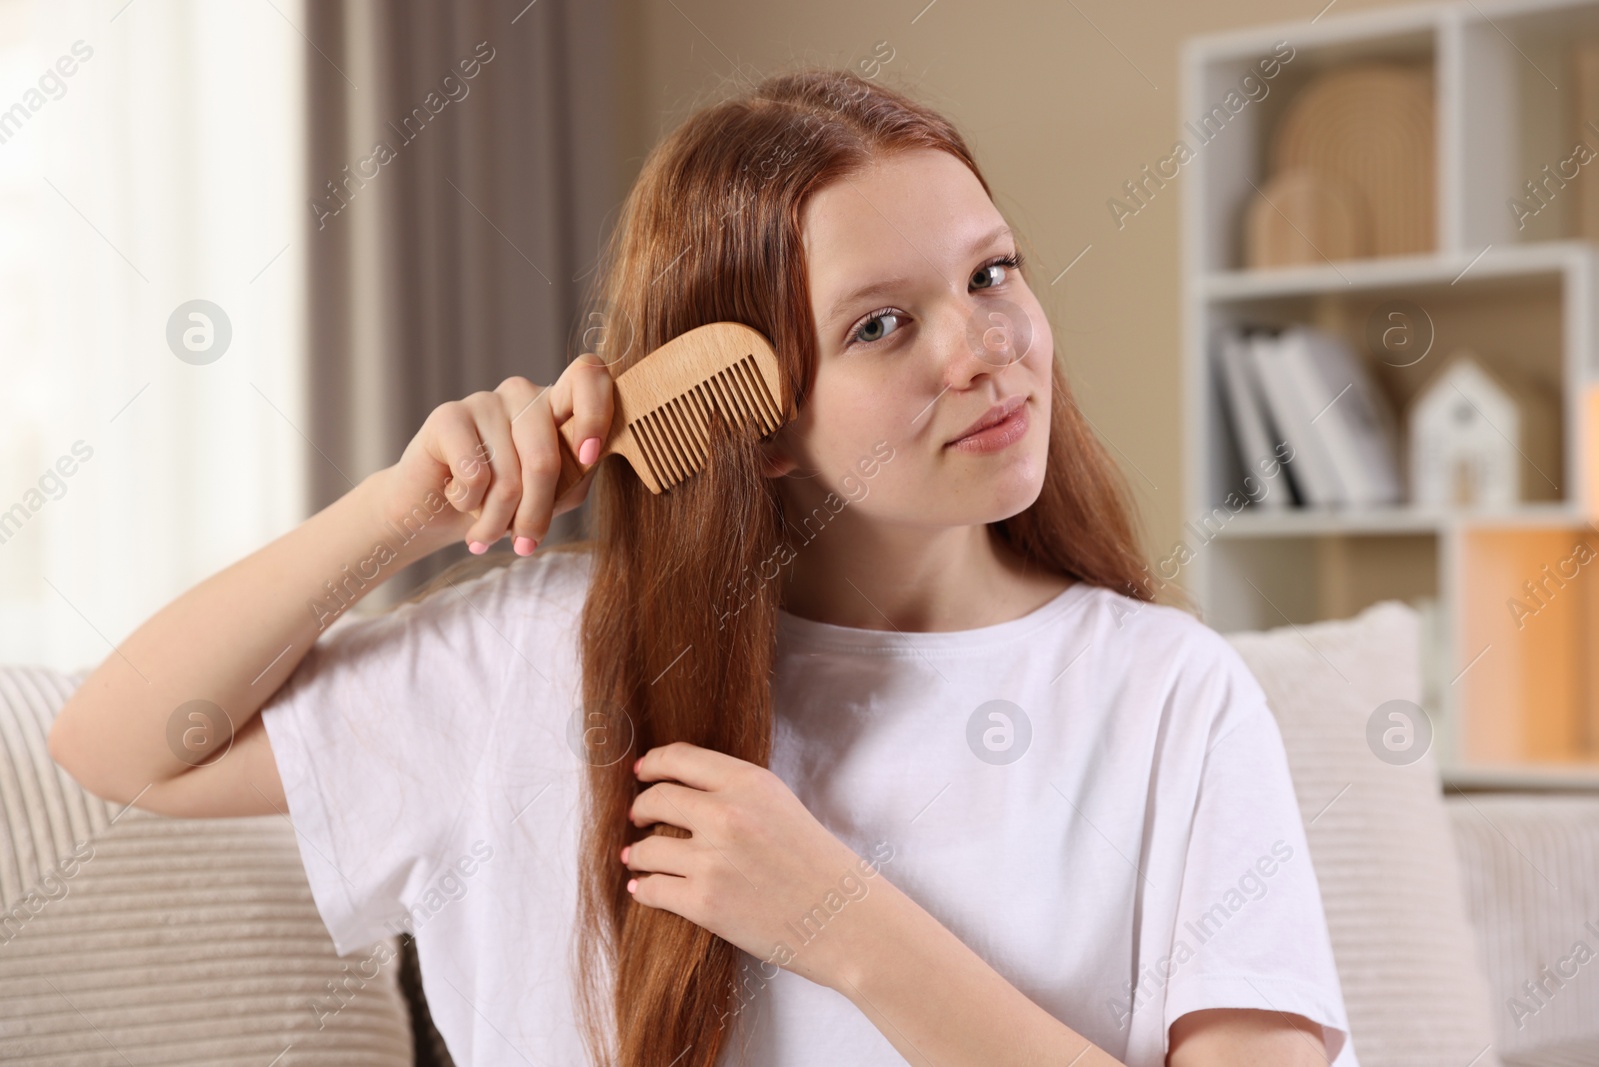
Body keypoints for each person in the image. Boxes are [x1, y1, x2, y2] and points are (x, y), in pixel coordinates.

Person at [48, 69, 1353, 1067]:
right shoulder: (533, 657)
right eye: (883, 324)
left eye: (993, 272)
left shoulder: (1168, 694)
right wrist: (403, 513)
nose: (984, 348)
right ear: (757, 423)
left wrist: (846, 926)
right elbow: (121, 746)